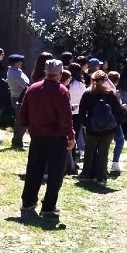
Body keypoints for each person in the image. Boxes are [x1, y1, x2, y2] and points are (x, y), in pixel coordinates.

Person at [19, 59, 75, 220]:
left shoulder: (33, 88)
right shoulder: (61, 91)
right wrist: (70, 136)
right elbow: (66, 118)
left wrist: (28, 126)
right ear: (60, 73)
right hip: (56, 137)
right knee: (55, 173)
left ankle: (28, 202)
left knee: (34, 170)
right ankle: (48, 206)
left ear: (45, 71)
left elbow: (23, 111)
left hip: (37, 136)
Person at [78, 70, 126, 185]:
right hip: (108, 129)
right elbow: (119, 111)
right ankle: (101, 178)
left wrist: (86, 124)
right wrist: (115, 124)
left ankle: (87, 175)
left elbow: (81, 112)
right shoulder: (110, 94)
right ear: (105, 80)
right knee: (103, 153)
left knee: (89, 152)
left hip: (92, 128)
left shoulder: (87, 94)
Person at [6, 55, 29, 150]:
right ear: (15, 63)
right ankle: (17, 140)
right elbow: (25, 85)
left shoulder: (18, 71)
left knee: (20, 119)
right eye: (20, 62)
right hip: (18, 97)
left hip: (21, 96)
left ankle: (18, 139)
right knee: (21, 120)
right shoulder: (14, 73)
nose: (21, 63)